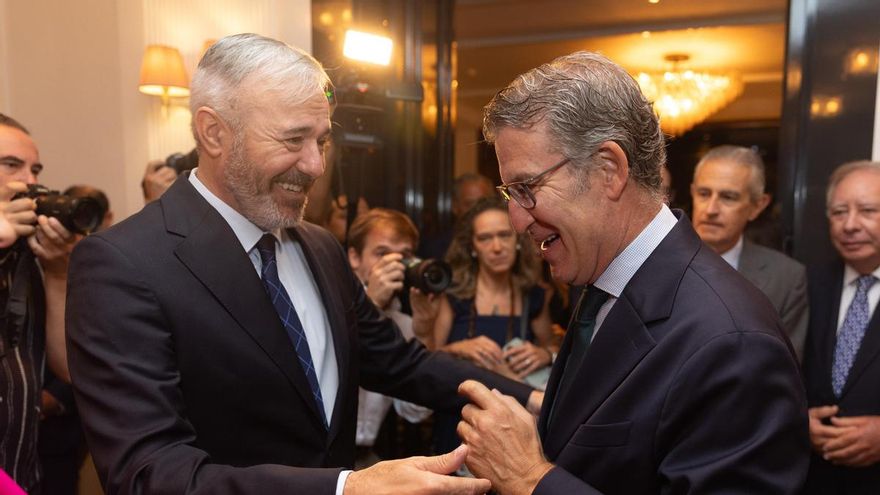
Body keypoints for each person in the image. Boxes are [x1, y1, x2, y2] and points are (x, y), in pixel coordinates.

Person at [65, 33, 539, 495]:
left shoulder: (320, 247)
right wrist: (345, 488)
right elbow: (147, 473)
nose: (315, 165)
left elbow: (401, 364)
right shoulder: (124, 265)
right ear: (214, 133)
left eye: (322, 141)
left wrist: (535, 401)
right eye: (293, 140)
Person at [455, 51, 809, 494]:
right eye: (511, 193)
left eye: (527, 188)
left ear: (609, 169)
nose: (516, 219)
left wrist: (529, 479)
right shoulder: (603, 285)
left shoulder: (734, 343)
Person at [432, 196, 554, 454]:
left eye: (504, 235)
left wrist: (544, 354)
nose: (497, 247)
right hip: (458, 417)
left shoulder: (532, 294)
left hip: (511, 425)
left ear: (517, 241)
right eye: (485, 238)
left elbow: (553, 347)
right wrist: (459, 349)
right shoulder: (454, 295)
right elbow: (427, 357)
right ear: (472, 247)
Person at [0, 113, 77, 492]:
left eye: (35, 169)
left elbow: (69, 369)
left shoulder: (27, 253)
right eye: (11, 165)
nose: (30, 181)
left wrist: (58, 272)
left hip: (23, 474)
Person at [802, 160, 880, 494]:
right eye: (838, 212)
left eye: (868, 211)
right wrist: (798, 422)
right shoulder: (806, 284)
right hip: (813, 478)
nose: (850, 225)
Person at [690, 145, 809, 359]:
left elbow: (783, 366)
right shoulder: (655, 262)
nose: (711, 209)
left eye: (728, 197)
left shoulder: (786, 279)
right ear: (692, 193)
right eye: (704, 194)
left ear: (757, 206)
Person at [345, 208, 434, 467]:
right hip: (316, 460)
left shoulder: (402, 324)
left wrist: (425, 333)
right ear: (354, 257)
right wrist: (370, 305)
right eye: (382, 254)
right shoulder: (331, 304)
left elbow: (414, 411)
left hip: (367, 458)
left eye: (403, 256)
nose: (393, 265)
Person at [419, 173, 494, 259]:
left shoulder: (503, 244)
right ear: (455, 206)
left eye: (483, 203)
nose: (477, 209)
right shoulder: (434, 249)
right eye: (470, 204)